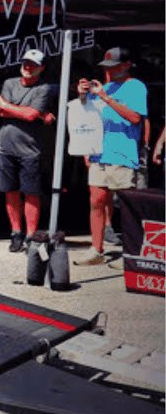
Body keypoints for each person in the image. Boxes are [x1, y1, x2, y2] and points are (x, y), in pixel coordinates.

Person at [75, 47, 147, 266]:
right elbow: (90, 120)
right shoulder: (105, 88)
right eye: (107, 67)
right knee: (96, 201)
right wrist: (82, 96)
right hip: (100, 154)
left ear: (127, 65)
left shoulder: (135, 86)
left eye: (114, 66)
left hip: (122, 154)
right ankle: (96, 250)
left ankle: (131, 253)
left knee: (127, 207)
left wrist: (105, 97)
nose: (110, 70)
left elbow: (135, 118)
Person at [0, 48, 57, 252]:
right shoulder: (10, 83)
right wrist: (35, 113)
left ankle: (31, 235)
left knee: (31, 193)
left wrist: (9, 107)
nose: (28, 67)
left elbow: (27, 115)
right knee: (10, 192)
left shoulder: (43, 88)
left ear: (42, 68)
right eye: (26, 63)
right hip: (6, 148)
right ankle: (16, 233)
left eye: (34, 65)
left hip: (30, 150)